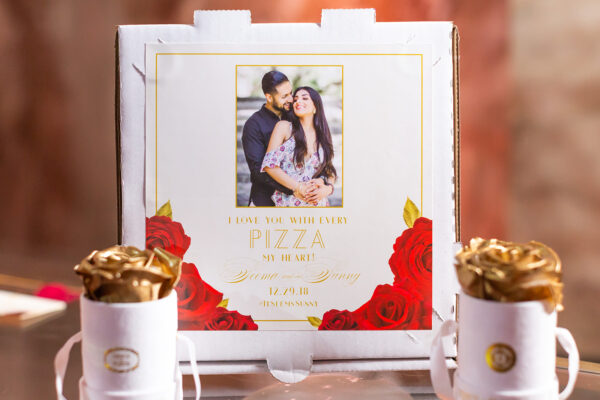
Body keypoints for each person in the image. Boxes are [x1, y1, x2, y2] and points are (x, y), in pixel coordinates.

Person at [261, 86, 336, 207]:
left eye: (304, 98)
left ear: (316, 107)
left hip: (319, 205)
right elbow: (269, 166)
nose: (298, 102)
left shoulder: (322, 135)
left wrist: (328, 189)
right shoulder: (284, 127)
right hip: (289, 203)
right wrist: (298, 187)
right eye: (295, 99)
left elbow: (330, 170)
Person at [241, 71, 295, 206]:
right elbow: (258, 171)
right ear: (269, 97)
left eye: (291, 93)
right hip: (265, 202)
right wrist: (294, 188)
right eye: (284, 96)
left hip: (296, 202)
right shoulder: (253, 125)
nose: (291, 99)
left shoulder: (294, 116)